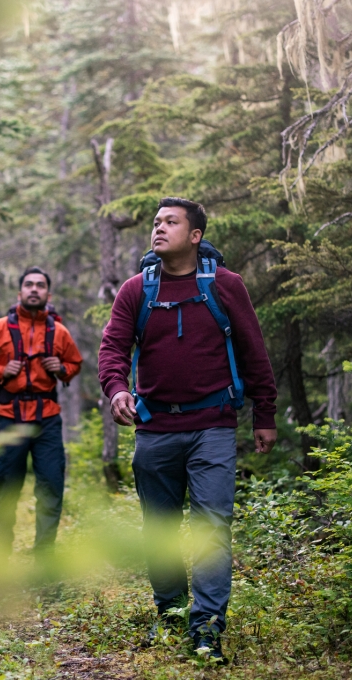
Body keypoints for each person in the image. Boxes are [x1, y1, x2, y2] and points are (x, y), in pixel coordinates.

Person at [98, 197, 277, 662]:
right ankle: (172, 615)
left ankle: (207, 629)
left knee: (212, 527)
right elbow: (113, 347)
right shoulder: (136, 290)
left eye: (170, 222)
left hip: (213, 426)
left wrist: (264, 414)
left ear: (194, 236)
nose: (159, 228)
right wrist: (117, 389)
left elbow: (254, 351)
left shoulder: (225, 285)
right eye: (156, 222)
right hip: (154, 428)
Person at [0, 266, 83, 558]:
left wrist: (62, 369)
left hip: (48, 419)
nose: (35, 289)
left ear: (48, 293)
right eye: (29, 285)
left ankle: (44, 559)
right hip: (11, 416)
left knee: (51, 486)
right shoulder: (0, 328)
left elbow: (74, 363)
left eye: (40, 285)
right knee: (6, 486)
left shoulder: (59, 331)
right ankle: (1, 558)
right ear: (19, 292)